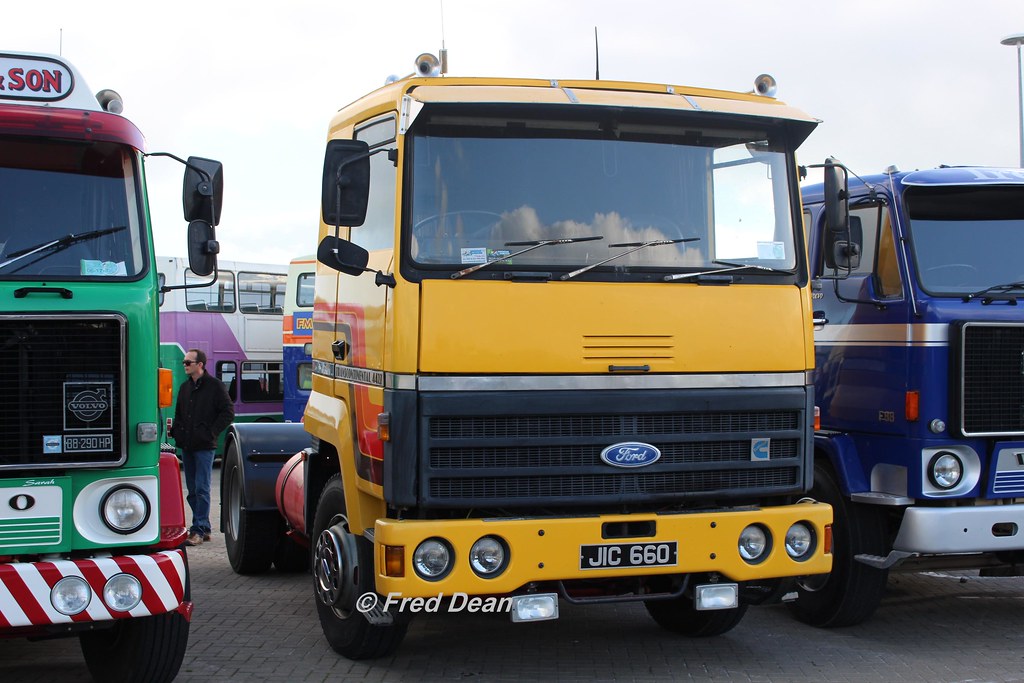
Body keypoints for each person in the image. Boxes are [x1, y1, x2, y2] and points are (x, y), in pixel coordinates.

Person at [169, 348, 234, 547]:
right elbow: (179, 414)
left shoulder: (215, 386)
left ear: (200, 365)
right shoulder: (184, 387)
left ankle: (198, 529)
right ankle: (203, 528)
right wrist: (177, 433)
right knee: (191, 490)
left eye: (188, 362)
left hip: (204, 445)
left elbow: (228, 412)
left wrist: (211, 432)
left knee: (202, 488)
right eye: (184, 362)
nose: (185, 365)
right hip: (187, 445)